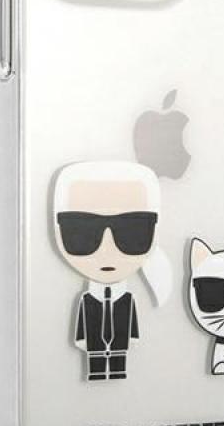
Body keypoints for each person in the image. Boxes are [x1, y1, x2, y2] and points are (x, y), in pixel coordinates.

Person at [53, 161, 166, 381]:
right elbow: (82, 324)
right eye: (82, 232)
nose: (107, 247)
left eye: (133, 232)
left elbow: (132, 324)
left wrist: (132, 338)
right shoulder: (87, 299)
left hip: (120, 348)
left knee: (117, 368)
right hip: (94, 348)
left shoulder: (127, 299)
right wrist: (82, 340)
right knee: (96, 370)